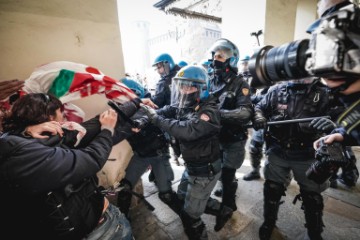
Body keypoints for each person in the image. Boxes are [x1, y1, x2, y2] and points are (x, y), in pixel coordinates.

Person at [0, 93, 134, 240]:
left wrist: (136, 103)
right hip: (100, 231)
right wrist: (107, 129)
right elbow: (92, 158)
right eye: (61, 114)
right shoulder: (30, 155)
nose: (64, 118)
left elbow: (87, 128)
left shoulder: (18, 139)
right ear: (50, 118)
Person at [141, 65, 222, 240]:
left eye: (190, 86)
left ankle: (200, 229)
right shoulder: (185, 104)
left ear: (203, 89)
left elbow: (187, 130)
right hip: (192, 166)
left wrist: (157, 120)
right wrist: (147, 112)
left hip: (204, 170)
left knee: (191, 215)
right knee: (183, 195)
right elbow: (167, 110)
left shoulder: (209, 111)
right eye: (182, 85)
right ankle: (219, 209)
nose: (185, 90)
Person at [253, 77, 339, 240]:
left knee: (312, 197)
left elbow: (345, 118)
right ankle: (269, 223)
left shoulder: (326, 93)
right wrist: (258, 117)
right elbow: (259, 107)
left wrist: (334, 127)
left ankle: (314, 232)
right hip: (277, 151)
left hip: (307, 155)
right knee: (272, 189)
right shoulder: (276, 90)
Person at [116, 78, 181, 220]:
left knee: (167, 195)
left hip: (158, 155)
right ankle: (122, 222)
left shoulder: (147, 107)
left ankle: (192, 222)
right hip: (141, 155)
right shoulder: (123, 111)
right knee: (125, 188)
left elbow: (150, 119)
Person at [207, 38, 253, 230]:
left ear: (231, 60)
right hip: (215, 136)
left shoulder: (240, 83)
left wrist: (218, 114)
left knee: (228, 173)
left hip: (233, 137)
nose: (214, 60)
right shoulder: (210, 80)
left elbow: (245, 112)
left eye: (219, 56)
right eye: (213, 56)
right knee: (216, 169)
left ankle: (228, 205)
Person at [149, 53, 182, 178]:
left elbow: (156, 102)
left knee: (164, 144)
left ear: (167, 64)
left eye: (159, 67)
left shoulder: (163, 83)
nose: (158, 71)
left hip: (168, 117)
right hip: (183, 117)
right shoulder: (181, 75)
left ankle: (162, 174)